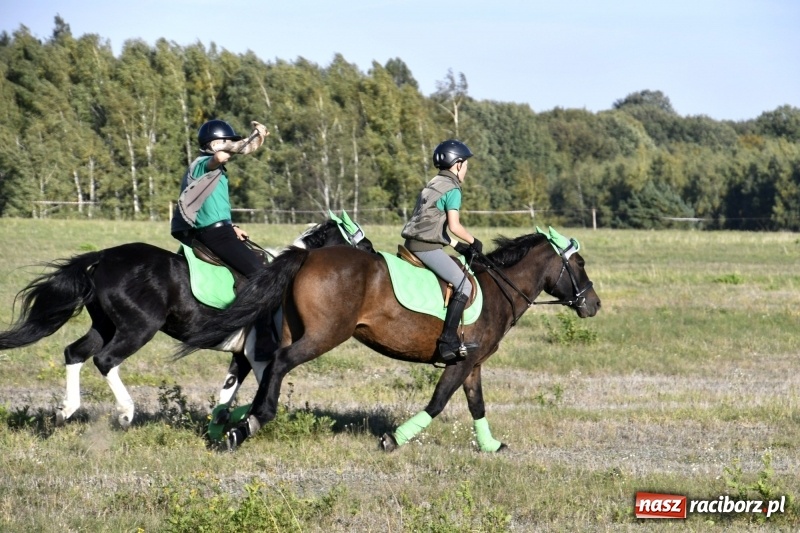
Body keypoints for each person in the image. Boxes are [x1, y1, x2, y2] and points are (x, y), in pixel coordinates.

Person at [401, 139, 483, 363]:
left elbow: (430, 226)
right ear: (457, 164)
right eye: (465, 164)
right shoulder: (453, 189)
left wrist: (458, 246)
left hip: (412, 244)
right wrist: (474, 241)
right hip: (425, 248)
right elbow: (455, 227)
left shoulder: (433, 183)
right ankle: (447, 341)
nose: (466, 169)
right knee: (464, 285)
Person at [171, 119, 268, 278]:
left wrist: (232, 227)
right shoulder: (202, 164)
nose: (231, 146)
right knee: (262, 277)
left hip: (223, 231)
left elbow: (214, 209)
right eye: (228, 142)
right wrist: (255, 136)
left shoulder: (214, 170)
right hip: (217, 235)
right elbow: (220, 157)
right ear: (215, 144)